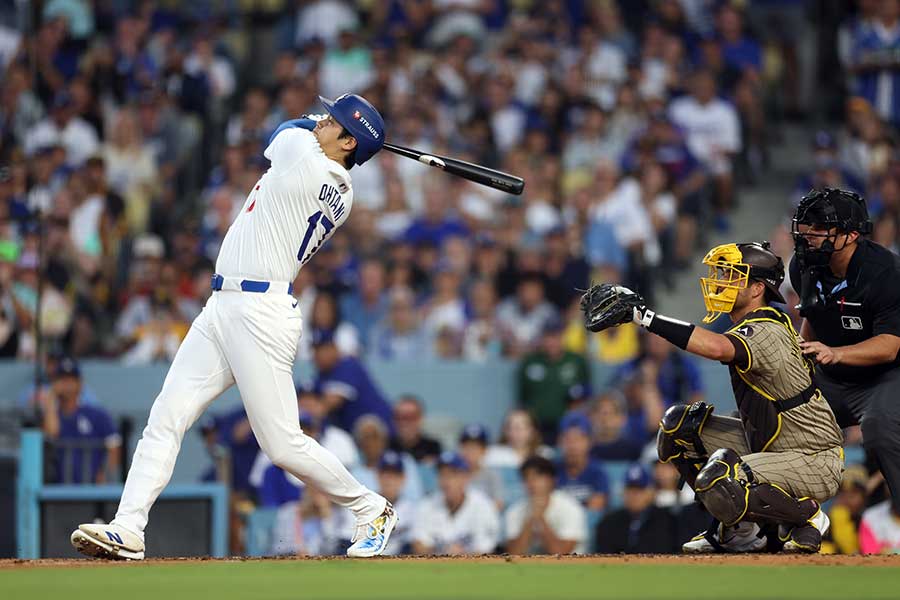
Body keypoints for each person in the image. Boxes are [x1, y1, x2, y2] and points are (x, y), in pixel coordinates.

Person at [71, 93, 398, 560]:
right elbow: (301, 134)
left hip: (260, 313)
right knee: (168, 414)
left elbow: (281, 129)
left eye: (335, 120)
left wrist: (312, 122)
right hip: (225, 306)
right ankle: (129, 527)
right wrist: (338, 128)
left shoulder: (306, 160)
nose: (323, 119)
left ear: (348, 142)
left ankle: (372, 508)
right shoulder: (338, 185)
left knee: (282, 444)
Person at [580, 241, 844, 553]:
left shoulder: (766, 327)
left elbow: (719, 348)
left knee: (721, 475)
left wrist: (645, 318)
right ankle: (741, 529)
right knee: (679, 427)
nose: (721, 280)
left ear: (758, 288)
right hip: (773, 447)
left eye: (732, 275)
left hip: (812, 458)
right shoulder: (755, 323)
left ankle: (808, 517)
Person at [789, 188, 900, 522]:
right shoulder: (803, 264)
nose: (808, 236)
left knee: (880, 428)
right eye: (806, 227)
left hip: (886, 375)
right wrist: (797, 360)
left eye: (819, 228)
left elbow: (890, 345)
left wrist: (834, 353)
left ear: (852, 235)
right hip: (831, 377)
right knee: (779, 415)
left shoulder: (886, 273)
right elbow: (812, 316)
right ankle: (783, 521)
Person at [41, 357, 121, 484]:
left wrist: (105, 474)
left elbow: (114, 446)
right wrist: (51, 397)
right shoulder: (51, 415)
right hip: (59, 489)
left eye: (71, 380)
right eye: (62, 380)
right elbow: (52, 433)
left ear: (79, 383)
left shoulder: (96, 415)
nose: (67, 385)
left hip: (92, 489)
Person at [516, 316, 591, 442]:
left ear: (563, 336)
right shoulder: (530, 362)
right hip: (537, 427)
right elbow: (523, 398)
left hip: (568, 427)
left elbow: (587, 396)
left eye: (556, 336)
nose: (552, 341)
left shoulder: (577, 361)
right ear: (542, 338)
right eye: (548, 336)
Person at [411, 452, 500, 556]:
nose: (446, 481)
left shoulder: (483, 506)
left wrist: (459, 556)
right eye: (442, 474)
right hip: (435, 569)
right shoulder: (426, 505)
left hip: (472, 569)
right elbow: (418, 546)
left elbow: (486, 550)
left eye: (452, 474)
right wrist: (445, 551)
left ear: (466, 477)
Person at [311, 328, 394, 435]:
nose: (318, 355)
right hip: (357, 436)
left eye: (324, 349)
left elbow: (329, 403)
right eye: (316, 350)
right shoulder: (321, 376)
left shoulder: (347, 365)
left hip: (384, 432)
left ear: (335, 348)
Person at [505, 456, 588, 555]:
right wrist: (531, 520)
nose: (531, 483)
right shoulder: (514, 510)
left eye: (538, 477)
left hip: (569, 568)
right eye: (526, 478)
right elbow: (513, 554)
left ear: (552, 480)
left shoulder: (571, 508)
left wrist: (541, 518)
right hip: (528, 568)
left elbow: (561, 554)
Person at [594, 464, 679, 554]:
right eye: (630, 489)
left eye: (639, 490)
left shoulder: (668, 520)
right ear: (623, 492)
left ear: (651, 492)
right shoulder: (608, 522)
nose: (634, 495)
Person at [555, 412, 609, 512]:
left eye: (578, 439)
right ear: (559, 442)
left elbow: (595, 509)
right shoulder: (553, 471)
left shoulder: (598, 472)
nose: (572, 446)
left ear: (590, 442)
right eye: (567, 440)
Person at [457, 424, 505, 508]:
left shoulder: (492, 475)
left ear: (484, 451)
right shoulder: (454, 474)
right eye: (466, 447)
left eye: (475, 447)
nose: (470, 452)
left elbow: (499, 504)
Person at [388, 395, 442, 463]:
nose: (404, 423)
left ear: (420, 419)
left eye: (410, 417)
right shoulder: (386, 447)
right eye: (399, 417)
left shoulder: (433, 448)